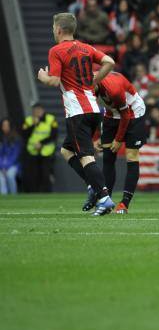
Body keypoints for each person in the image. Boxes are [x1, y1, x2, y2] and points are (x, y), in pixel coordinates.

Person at [36, 12, 116, 214]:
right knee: (66, 151)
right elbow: (110, 62)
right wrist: (94, 81)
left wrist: (43, 76)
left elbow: (54, 81)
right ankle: (94, 187)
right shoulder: (86, 48)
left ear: (59, 30)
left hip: (77, 112)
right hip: (93, 108)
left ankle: (104, 197)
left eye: (54, 28)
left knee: (86, 156)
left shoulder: (56, 50)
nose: (53, 31)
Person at [95, 72, 147, 213]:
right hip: (111, 114)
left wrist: (118, 140)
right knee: (108, 158)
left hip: (133, 113)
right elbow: (92, 111)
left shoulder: (114, 89)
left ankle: (124, 203)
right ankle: (107, 202)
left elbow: (126, 115)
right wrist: (96, 137)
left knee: (131, 157)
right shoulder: (88, 85)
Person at [21, 103, 58, 193]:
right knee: (33, 175)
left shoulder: (51, 119)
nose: (37, 112)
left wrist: (41, 143)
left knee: (46, 174)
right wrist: (33, 125)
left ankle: (47, 194)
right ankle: (34, 194)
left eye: (39, 110)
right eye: (35, 111)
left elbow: (54, 135)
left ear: (42, 110)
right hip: (32, 151)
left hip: (46, 151)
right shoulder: (28, 120)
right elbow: (24, 134)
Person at [0, 118, 22, 194]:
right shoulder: (2, 139)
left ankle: (13, 195)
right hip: (2, 166)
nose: (5, 127)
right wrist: (2, 167)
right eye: (3, 126)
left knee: (10, 175)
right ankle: (4, 197)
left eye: (7, 125)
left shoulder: (16, 139)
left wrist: (6, 167)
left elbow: (15, 156)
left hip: (13, 165)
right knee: (1, 177)